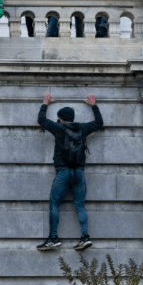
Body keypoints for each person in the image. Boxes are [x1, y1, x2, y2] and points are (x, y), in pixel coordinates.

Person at [36, 93, 103, 251]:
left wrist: (45, 104)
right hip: (79, 173)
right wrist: (93, 105)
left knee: (54, 202)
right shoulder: (83, 128)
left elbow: (41, 120)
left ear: (61, 119)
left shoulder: (58, 128)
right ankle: (85, 237)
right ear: (72, 118)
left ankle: (53, 238)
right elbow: (99, 123)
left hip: (63, 173)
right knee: (79, 204)